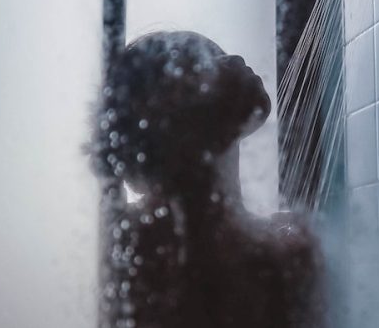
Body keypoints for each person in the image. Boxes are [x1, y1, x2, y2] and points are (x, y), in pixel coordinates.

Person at [94, 31, 324, 328]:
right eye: (202, 61)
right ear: (167, 114)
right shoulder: (147, 246)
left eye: (219, 52)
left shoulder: (272, 240)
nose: (235, 60)